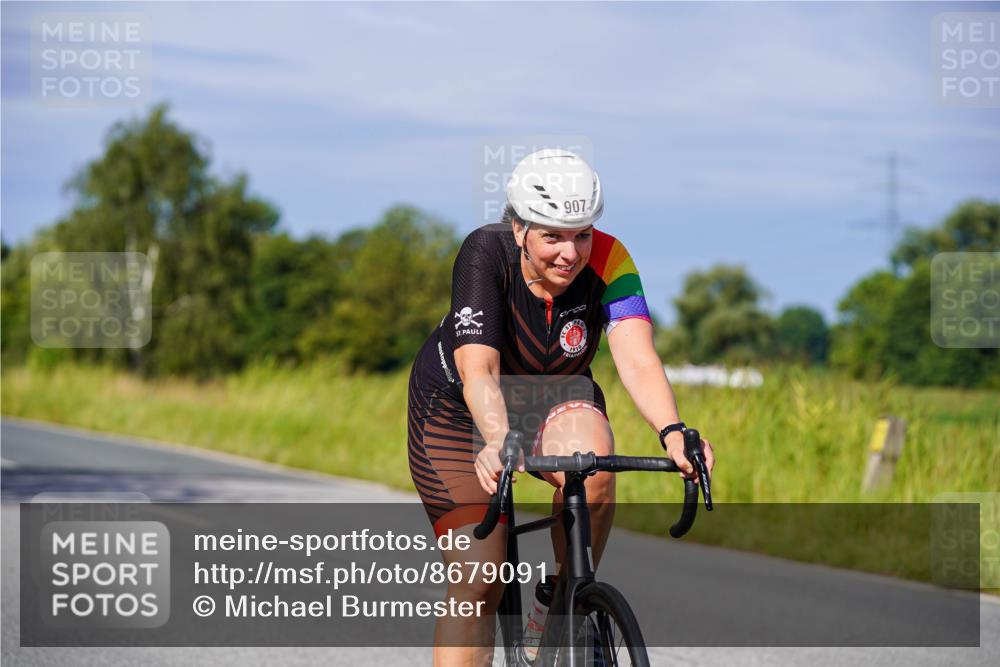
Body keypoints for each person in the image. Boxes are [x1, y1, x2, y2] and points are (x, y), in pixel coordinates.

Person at [407, 149, 715, 665]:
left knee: (593, 469)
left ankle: (560, 603)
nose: (570, 253)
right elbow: (479, 369)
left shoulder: (612, 260)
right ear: (519, 228)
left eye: (582, 234)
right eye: (553, 235)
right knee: (480, 577)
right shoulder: (485, 253)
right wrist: (499, 438)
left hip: (553, 391)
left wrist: (673, 430)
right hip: (458, 407)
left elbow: (637, 360)